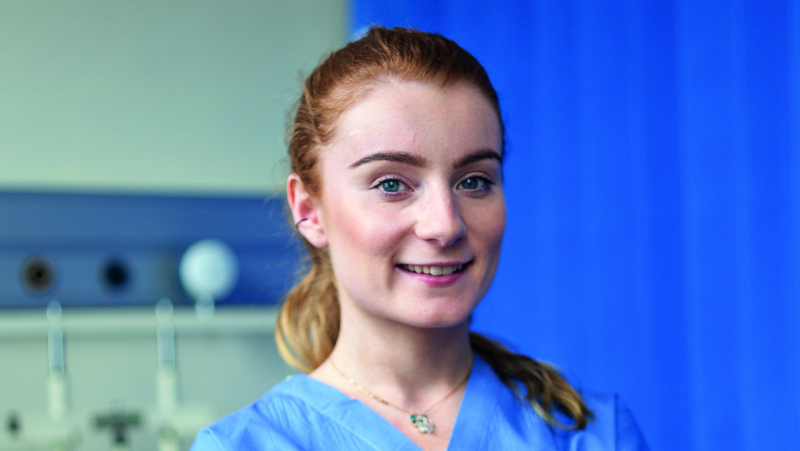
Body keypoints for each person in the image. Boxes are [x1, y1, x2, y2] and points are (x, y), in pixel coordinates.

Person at [191, 26, 649, 451]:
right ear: (309, 210)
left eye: (474, 181)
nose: (445, 225)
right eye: (391, 184)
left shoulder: (590, 433)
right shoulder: (243, 444)